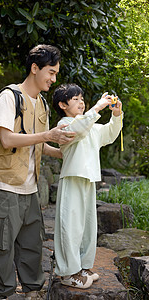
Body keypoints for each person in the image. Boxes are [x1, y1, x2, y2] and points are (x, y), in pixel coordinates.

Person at [0, 45, 76, 300]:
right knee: (1, 248)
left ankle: (32, 292)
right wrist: (47, 135)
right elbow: (7, 139)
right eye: (51, 72)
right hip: (3, 186)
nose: (54, 79)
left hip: (30, 187)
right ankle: (1, 295)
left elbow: (38, 143)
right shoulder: (9, 97)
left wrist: (62, 152)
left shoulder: (43, 103)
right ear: (35, 68)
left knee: (33, 247)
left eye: (56, 73)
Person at [52, 83, 123, 289]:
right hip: (73, 178)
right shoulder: (64, 124)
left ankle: (82, 267)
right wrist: (98, 107)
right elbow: (78, 129)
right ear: (63, 105)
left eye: (82, 98)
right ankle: (67, 273)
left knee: (87, 227)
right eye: (75, 99)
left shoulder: (89, 124)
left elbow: (109, 133)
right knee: (70, 226)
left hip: (88, 179)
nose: (81, 102)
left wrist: (116, 114)